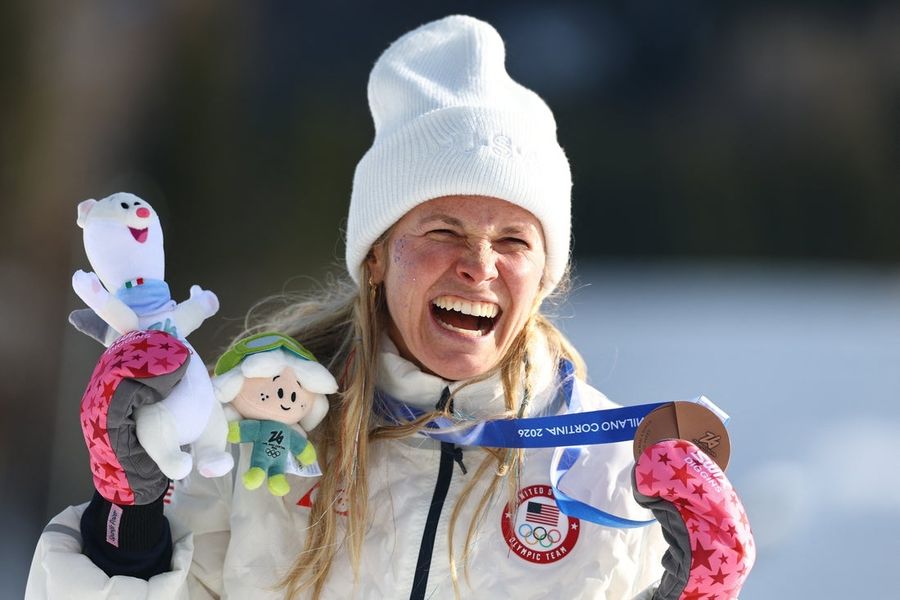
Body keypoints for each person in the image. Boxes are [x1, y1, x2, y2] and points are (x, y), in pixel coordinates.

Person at [27, 15, 753, 599]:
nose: (479, 264)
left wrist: (692, 595)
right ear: (377, 255)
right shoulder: (254, 422)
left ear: (545, 275)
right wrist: (129, 513)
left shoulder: (605, 474)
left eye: (514, 240)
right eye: (442, 231)